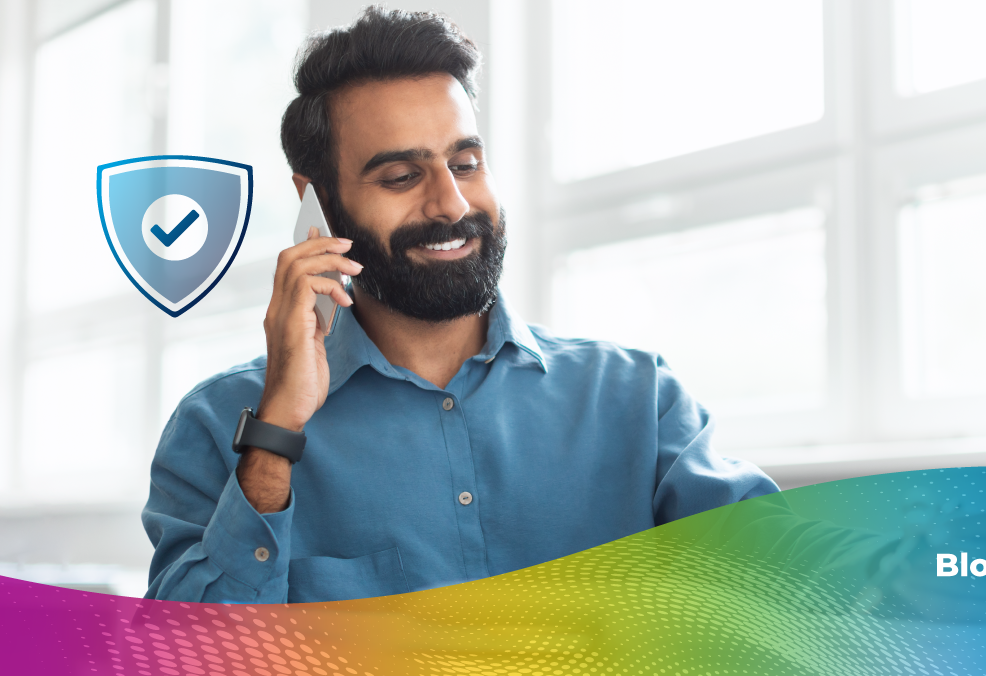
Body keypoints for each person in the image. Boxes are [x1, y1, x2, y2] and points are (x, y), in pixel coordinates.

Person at [142, 6, 779, 603]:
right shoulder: (218, 423)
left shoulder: (638, 399)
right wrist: (275, 434)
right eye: (400, 177)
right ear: (319, 201)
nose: (451, 204)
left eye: (466, 162)